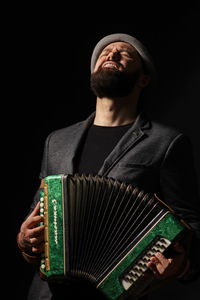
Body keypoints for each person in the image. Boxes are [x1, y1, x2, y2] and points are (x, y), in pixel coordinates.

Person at [17, 33, 200, 300]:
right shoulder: (56, 141)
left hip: (115, 294)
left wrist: (181, 266)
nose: (111, 54)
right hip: (47, 294)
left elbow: (192, 224)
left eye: (124, 53)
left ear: (143, 79)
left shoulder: (167, 142)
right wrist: (24, 240)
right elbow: (36, 215)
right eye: (105, 51)